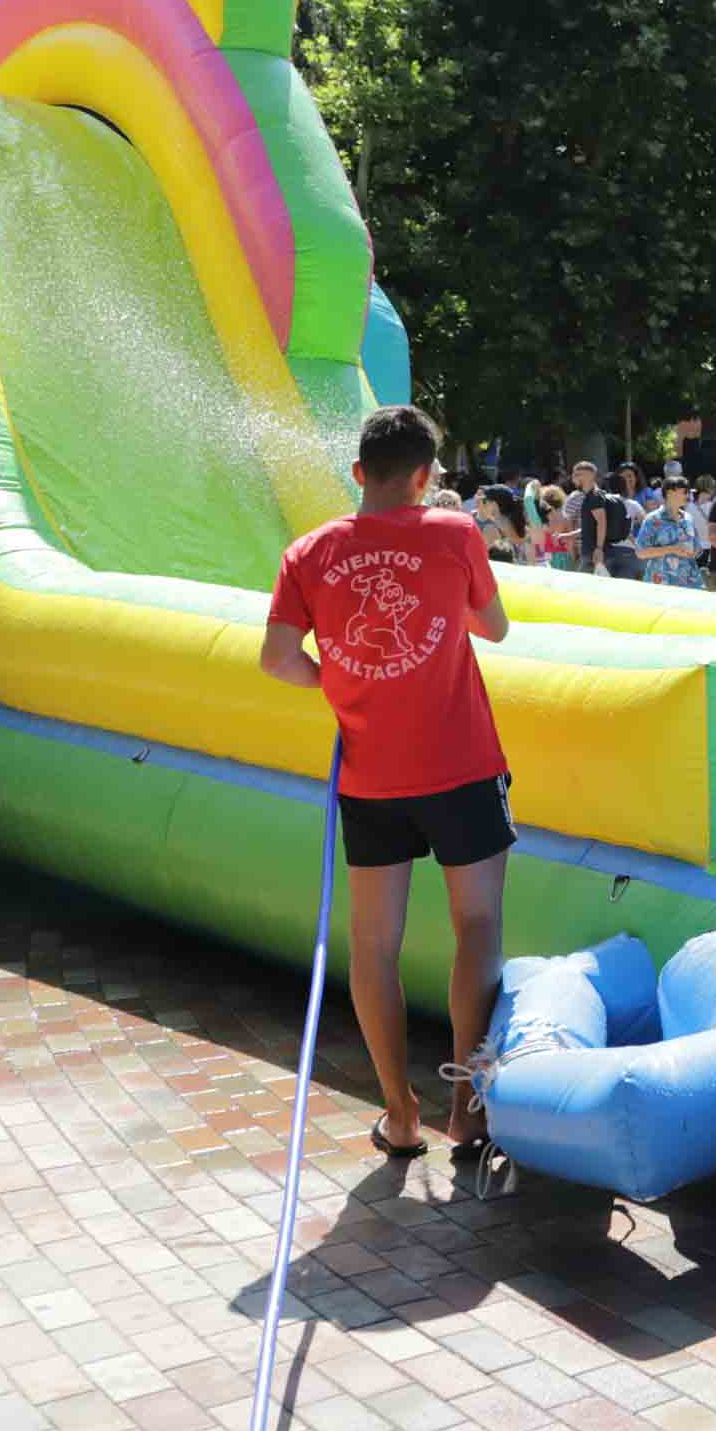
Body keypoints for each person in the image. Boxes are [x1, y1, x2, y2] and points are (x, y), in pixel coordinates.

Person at [258, 405, 509, 1159]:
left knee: (374, 944)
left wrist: (339, 682)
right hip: (462, 767)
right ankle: (466, 1109)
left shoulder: (308, 552)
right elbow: (494, 628)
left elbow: (275, 659)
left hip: (372, 776)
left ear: (359, 473)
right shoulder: (455, 533)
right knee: (479, 929)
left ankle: (400, 1115)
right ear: (426, 477)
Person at [633, 478, 706, 590]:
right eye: (685, 491)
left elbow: (697, 548)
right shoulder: (653, 519)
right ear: (670, 492)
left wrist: (693, 552)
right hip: (662, 583)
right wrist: (672, 549)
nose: (689, 495)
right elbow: (640, 552)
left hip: (689, 581)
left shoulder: (688, 518)